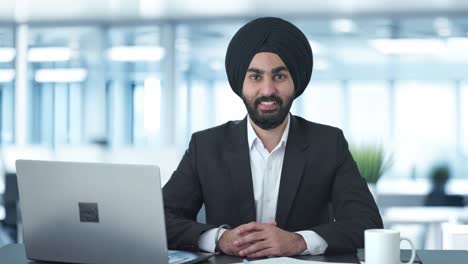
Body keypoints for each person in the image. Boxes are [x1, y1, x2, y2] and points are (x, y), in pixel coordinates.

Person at [163, 17, 383, 258]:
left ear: (294, 81)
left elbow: (367, 223)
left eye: (279, 76)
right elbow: (160, 218)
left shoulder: (328, 144)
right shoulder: (206, 146)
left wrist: (299, 241)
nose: (267, 90)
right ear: (241, 83)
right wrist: (219, 239)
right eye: (255, 77)